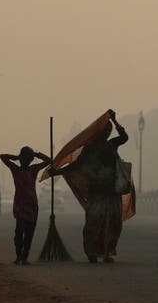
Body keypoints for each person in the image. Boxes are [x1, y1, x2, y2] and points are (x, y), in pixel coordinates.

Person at [49, 109, 128, 263]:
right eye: (104, 130)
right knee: (93, 222)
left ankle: (107, 253)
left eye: (108, 130)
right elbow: (75, 166)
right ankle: (91, 252)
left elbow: (124, 137)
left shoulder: (112, 145)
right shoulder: (89, 149)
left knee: (113, 222)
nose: (106, 132)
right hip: (97, 191)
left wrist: (115, 120)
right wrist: (56, 172)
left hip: (112, 191)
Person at [0, 146, 51, 265]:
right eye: (23, 158)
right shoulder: (15, 169)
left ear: (31, 160)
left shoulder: (34, 169)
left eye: (28, 159)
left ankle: (24, 257)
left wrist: (36, 154)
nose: (25, 161)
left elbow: (49, 161)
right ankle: (18, 256)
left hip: (32, 205)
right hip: (20, 205)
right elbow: (3, 157)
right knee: (19, 231)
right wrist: (16, 157)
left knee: (29, 233)